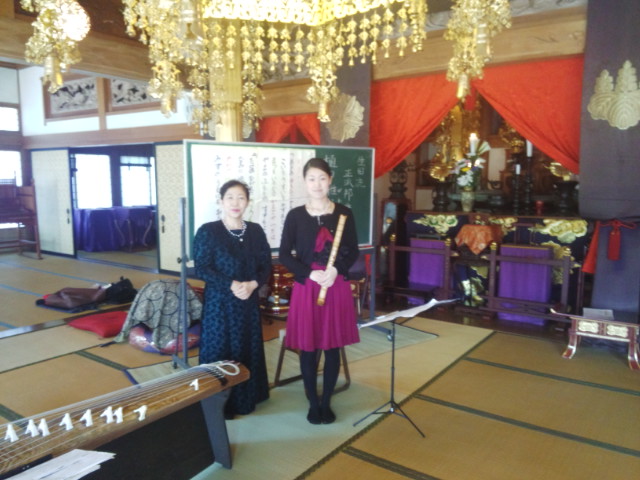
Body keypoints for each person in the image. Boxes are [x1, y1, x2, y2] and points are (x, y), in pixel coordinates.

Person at [279, 157, 360, 425]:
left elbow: (352, 250)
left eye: (322, 178)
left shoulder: (344, 213)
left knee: (332, 346)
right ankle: (313, 403)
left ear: (330, 180)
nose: (317, 184)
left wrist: (336, 270)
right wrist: (308, 273)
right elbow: (284, 255)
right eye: (312, 179)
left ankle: (326, 401)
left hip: (335, 285)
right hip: (307, 286)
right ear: (305, 182)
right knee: (309, 347)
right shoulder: (295, 216)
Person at [194, 179, 271, 418]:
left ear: (247, 202)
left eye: (241, 198)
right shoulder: (208, 231)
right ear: (221, 201)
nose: (235, 203)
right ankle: (219, 404)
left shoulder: (255, 231)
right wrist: (232, 284)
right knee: (220, 350)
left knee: (247, 349)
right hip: (219, 304)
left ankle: (247, 399)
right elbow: (202, 268)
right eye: (230, 197)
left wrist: (253, 284)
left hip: (247, 302)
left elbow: (266, 265)